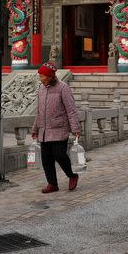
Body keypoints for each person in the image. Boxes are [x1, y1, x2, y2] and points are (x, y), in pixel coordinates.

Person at [30, 62, 81, 193]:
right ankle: (52, 184)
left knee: (60, 155)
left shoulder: (63, 88)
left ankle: (72, 175)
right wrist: (35, 129)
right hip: (44, 131)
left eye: (42, 76)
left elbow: (71, 110)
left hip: (59, 129)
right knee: (46, 159)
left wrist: (75, 129)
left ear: (50, 76)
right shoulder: (41, 89)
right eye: (40, 76)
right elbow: (39, 112)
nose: (40, 78)